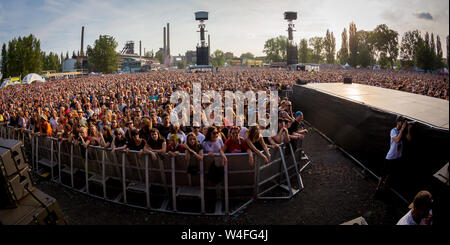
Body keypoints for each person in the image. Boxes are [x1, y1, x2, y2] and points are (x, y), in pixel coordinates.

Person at [376, 115, 410, 194]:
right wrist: (402, 129)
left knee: (389, 175)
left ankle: (384, 188)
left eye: (404, 122)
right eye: (402, 121)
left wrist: (408, 130)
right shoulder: (393, 130)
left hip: (397, 157)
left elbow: (409, 139)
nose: (403, 123)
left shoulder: (403, 131)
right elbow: (397, 140)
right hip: (390, 157)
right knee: (383, 174)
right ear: (398, 122)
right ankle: (377, 189)